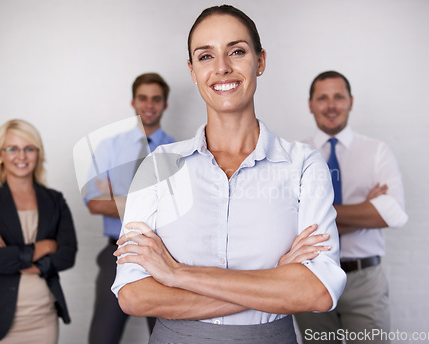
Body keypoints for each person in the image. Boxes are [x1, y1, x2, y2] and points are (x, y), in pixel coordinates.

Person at [110, 6, 346, 344]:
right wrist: (275, 280)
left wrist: (177, 274)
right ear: (192, 71)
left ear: (260, 61)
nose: (222, 68)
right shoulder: (159, 166)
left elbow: (317, 292)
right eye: (206, 56)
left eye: (237, 51)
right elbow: (134, 295)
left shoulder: (303, 165)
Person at [295, 71, 408, 343]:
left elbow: (393, 213)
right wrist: (366, 209)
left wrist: (319, 215)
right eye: (322, 98)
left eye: (338, 97)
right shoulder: (295, 155)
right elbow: (291, 222)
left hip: (364, 281)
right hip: (311, 276)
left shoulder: (377, 152)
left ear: (351, 101)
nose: (331, 105)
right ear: (310, 104)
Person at [0, 119, 78, 344]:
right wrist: (45, 246)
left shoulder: (55, 200)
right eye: (12, 149)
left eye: (29, 148)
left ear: (38, 153)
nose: (22, 156)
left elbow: (67, 254)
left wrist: (15, 255)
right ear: (0, 155)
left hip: (41, 319)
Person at [84, 73, 175, 344]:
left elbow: (180, 209)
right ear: (133, 102)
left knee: (166, 337)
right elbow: (94, 202)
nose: (149, 105)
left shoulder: (178, 150)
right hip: (118, 250)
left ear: (165, 104)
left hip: (165, 254)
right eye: (143, 98)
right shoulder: (109, 147)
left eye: (156, 99)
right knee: (103, 337)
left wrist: (119, 199)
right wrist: (154, 202)